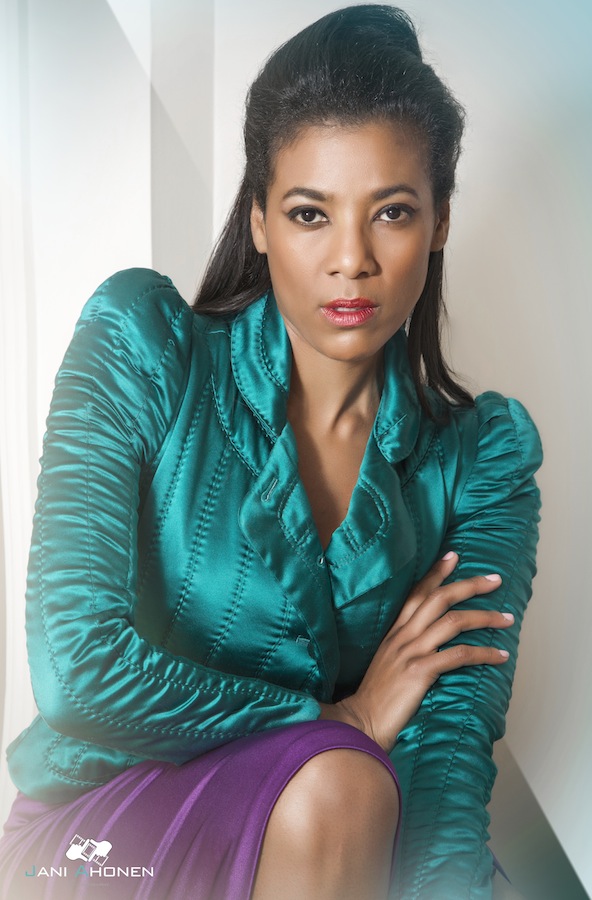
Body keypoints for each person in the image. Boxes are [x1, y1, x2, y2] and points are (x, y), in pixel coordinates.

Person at [0, 5, 541, 899]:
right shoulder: (144, 345)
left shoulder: (483, 461)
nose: (351, 260)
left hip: (327, 848)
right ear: (258, 220)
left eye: (392, 212)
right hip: (91, 846)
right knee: (342, 781)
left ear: (440, 221)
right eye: (309, 213)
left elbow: (446, 759)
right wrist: (336, 718)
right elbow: (76, 671)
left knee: (396, 831)